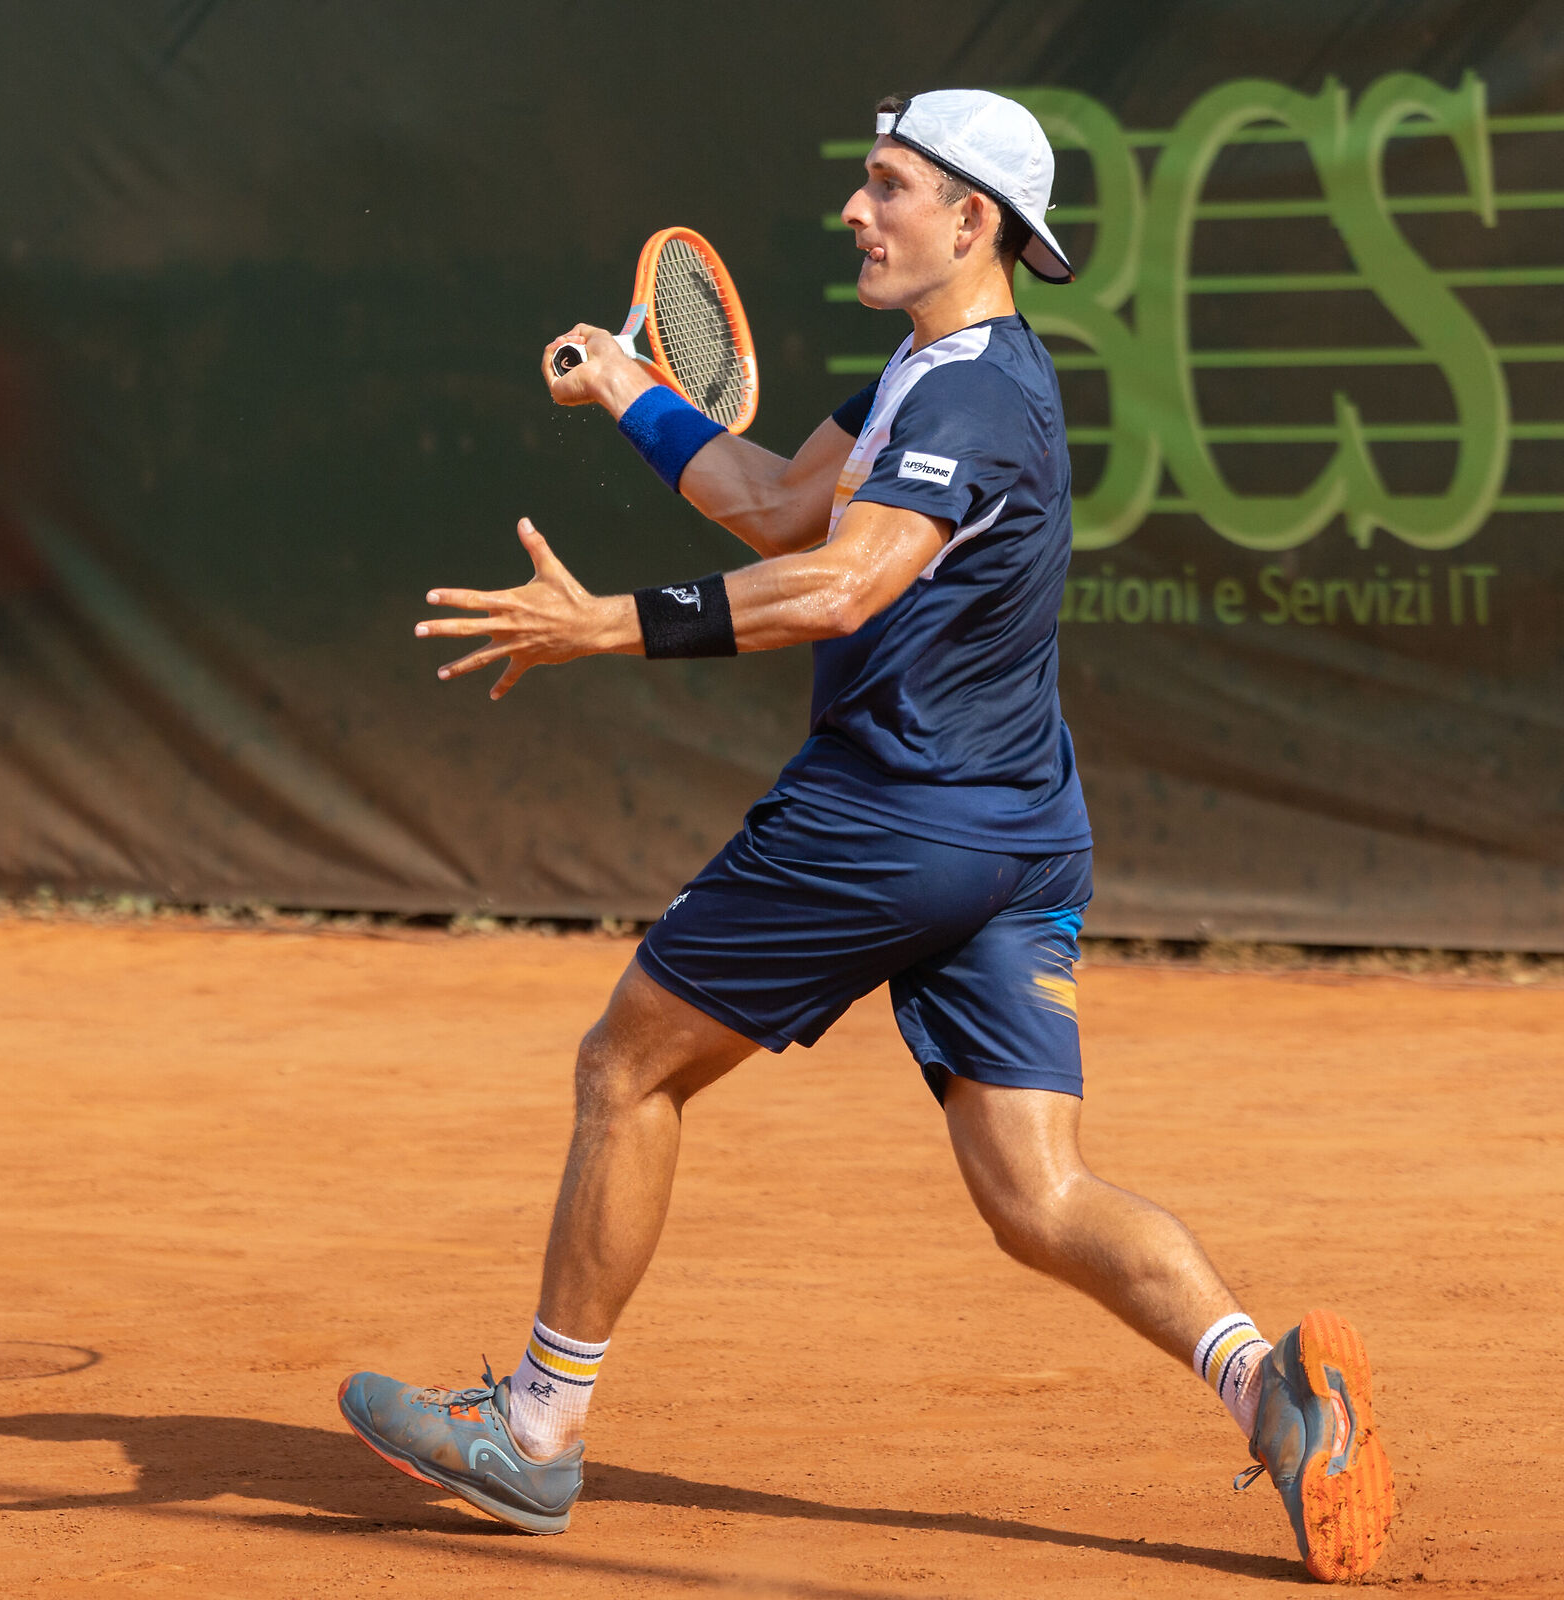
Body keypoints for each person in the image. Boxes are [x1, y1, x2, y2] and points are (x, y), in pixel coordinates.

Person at [337, 91, 1393, 1583]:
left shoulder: (969, 401)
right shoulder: (929, 366)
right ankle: (1271, 1393)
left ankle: (536, 1428)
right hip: (1023, 832)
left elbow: (838, 589)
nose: (856, 210)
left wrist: (603, 627)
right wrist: (637, 393)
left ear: (974, 222)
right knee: (1037, 1193)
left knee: (626, 1067)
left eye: (888, 187)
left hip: (890, 822)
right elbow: (774, 507)